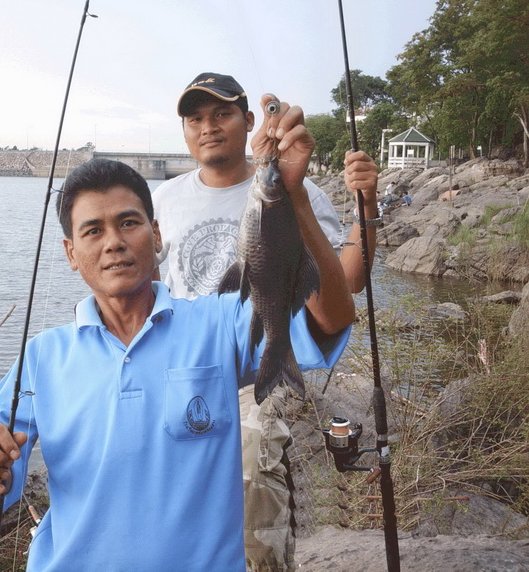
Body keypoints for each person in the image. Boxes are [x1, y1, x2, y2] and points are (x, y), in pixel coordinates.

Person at [0, 113, 351, 572]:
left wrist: (295, 197)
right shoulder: (41, 359)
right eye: (92, 230)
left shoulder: (219, 324)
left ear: (157, 233)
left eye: (129, 223)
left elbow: (331, 319)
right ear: (70, 253)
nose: (114, 242)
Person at [152, 72, 378, 571]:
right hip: (183, 371)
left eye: (222, 114)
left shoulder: (299, 192)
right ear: (185, 131)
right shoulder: (164, 199)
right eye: (195, 119)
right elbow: (143, 287)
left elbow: (347, 284)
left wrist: (366, 207)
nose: (208, 127)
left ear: (249, 121)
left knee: (251, 460)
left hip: (257, 374)